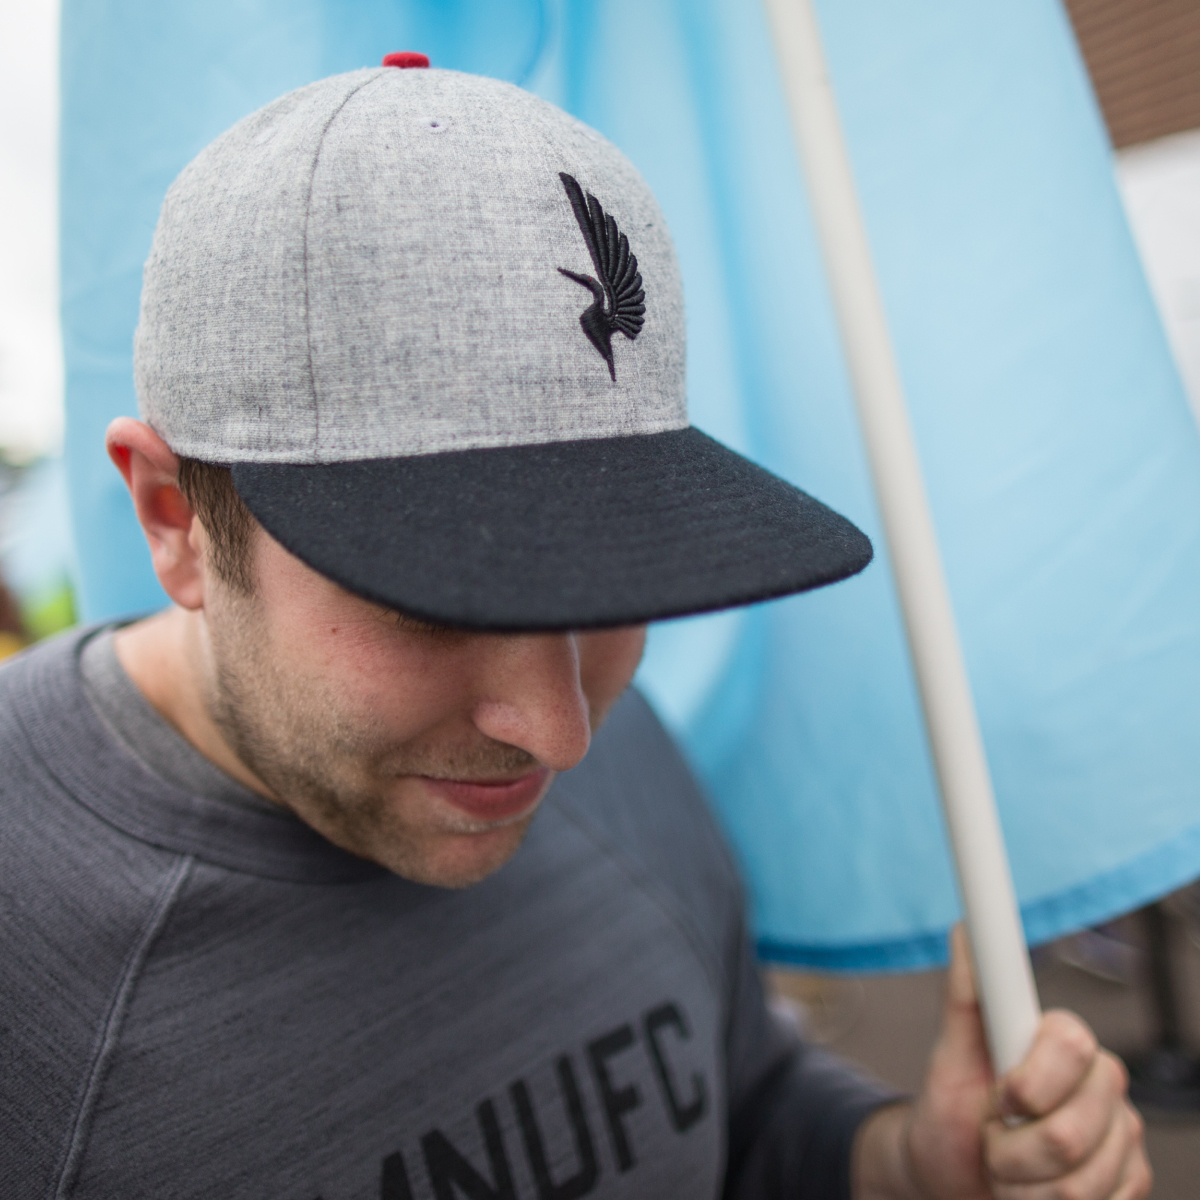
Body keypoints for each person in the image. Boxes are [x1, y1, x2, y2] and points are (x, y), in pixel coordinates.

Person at [1, 59, 1149, 1200]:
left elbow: (738, 1107)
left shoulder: (612, 730)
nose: (561, 734)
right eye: (437, 595)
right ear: (173, 518)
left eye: (607, 581)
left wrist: (902, 1165)